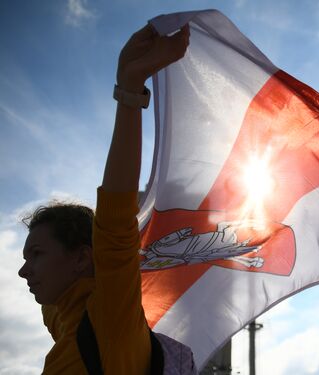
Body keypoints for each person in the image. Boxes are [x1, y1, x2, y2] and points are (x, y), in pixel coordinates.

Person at [18, 22, 191, 374]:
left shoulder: (109, 320)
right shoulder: (64, 317)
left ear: (82, 258)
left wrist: (130, 89)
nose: (23, 271)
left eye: (36, 254)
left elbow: (114, 225)